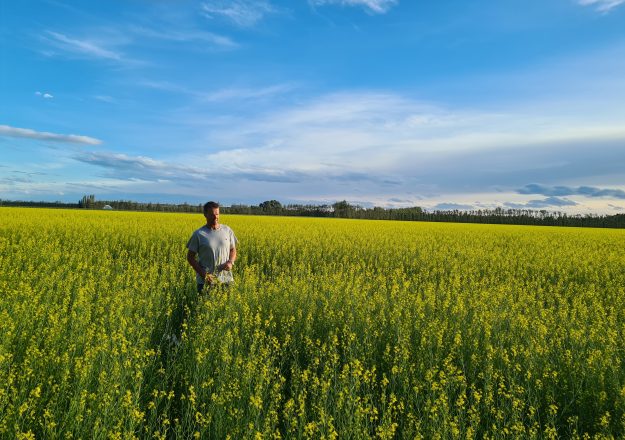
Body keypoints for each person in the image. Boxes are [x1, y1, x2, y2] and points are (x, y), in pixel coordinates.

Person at [186, 201, 238, 293]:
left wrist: (231, 262)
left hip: (227, 280)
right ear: (205, 214)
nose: (215, 217)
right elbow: (190, 257)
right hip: (206, 282)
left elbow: (233, 250)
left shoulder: (227, 230)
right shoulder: (198, 234)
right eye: (212, 214)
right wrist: (204, 275)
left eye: (217, 214)